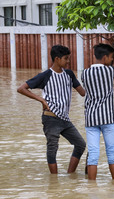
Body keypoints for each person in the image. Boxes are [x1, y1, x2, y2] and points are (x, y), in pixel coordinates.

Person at [17, 44, 86, 174]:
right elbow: (21, 89)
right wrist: (41, 100)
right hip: (51, 117)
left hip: (65, 119)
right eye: (66, 58)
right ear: (57, 59)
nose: (68, 61)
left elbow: (82, 93)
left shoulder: (69, 74)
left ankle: (69, 174)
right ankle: (54, 181)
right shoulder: (45, 75)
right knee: (52, 148)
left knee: (81, 144)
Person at [81, 37, 114, 180]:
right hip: (108, 118)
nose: (111, 60)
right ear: (105, 58)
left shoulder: (84, 73)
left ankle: (92, 186)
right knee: (112, 153)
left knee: (93, 153)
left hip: (91, 118)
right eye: (110, 57)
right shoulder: (109, 72)